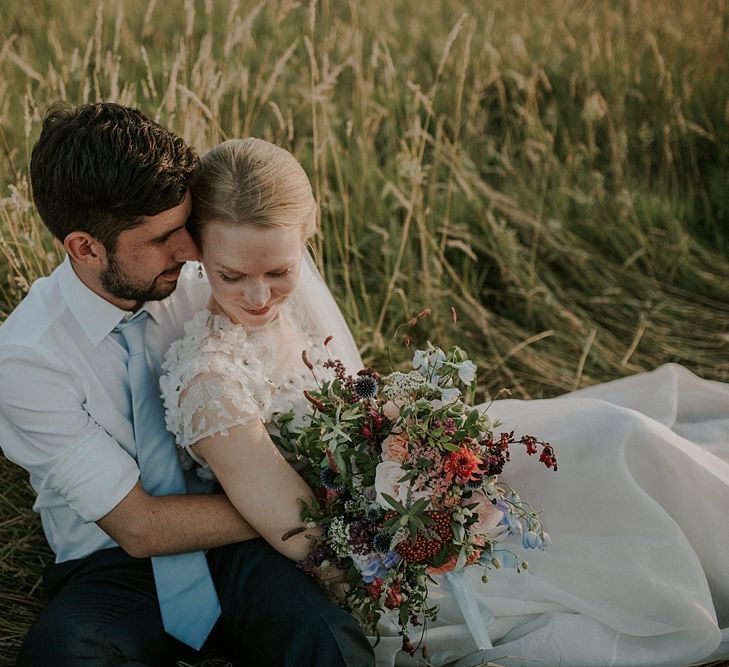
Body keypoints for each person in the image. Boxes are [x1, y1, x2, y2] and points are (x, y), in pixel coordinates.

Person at [161, 136, 729, 667]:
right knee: (606, 478)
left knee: (618, 435)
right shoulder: (210, 384)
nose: (259, 297)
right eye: (230, 275)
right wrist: (433, 525)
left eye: (280, 271)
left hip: (419, 473)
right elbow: (307, 534)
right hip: (388, 546)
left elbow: (360, 394)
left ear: (306, 237)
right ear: (195, 252)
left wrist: (425, 441)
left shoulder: (292, 306)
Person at [0, 102, 375, 667]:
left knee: (329, 643)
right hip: (116, 565)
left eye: (186, 225)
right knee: (63, 657)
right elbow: (140, 527)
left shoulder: (211, 276)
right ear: (84, 247)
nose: (190, 250)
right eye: (161, 238)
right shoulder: (25, 359)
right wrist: (295, 503)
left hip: (244, 549)